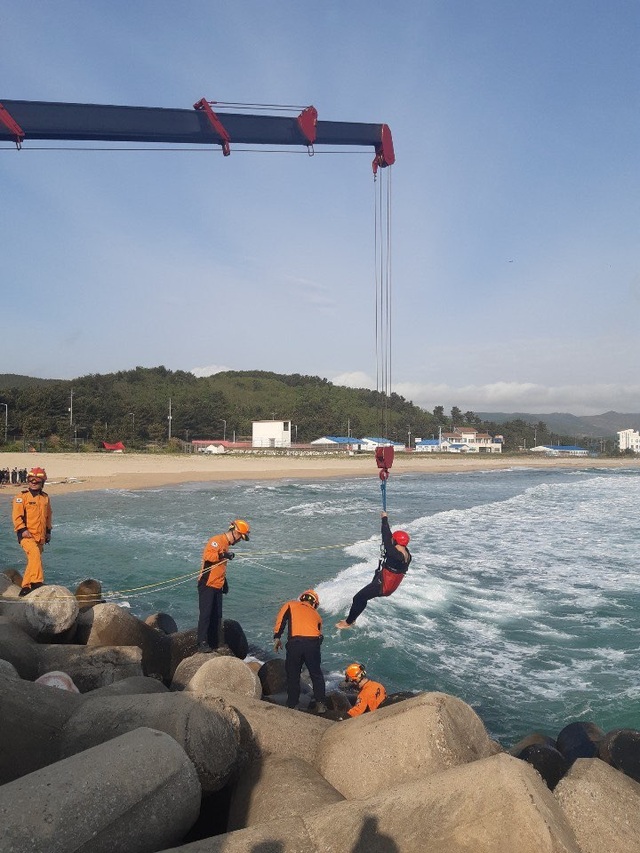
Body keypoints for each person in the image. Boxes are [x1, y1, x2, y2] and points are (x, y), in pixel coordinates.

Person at [336, 511, 411, 629]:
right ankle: (352, 619)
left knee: (358, 598)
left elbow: (386, 536)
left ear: (395, 542)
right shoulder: (406, 554)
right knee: (363, 597)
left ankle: (348, 622)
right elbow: (389, 540)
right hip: (386, 582)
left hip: (382, 585)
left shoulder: (394, 554)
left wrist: (384, 519)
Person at [197, 518, 250, 652]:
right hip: (207, 584)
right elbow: (208, 556)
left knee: (217, 616)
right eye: (240, 537)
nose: (239, 541)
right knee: (206, 615)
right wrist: (223, 554)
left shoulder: (226, 544)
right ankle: (201, 643)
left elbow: (219, 567)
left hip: (217, 585)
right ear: (234, 532)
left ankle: (214, 643)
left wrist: (224, 582)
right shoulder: (217, 540)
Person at [273, 589, 327, 713]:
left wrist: (277, 637)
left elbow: (281, 620)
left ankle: (292, 704)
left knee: (293, 675)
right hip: (312, 644)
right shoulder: (317, 616)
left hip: (295, 643)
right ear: (314, 603)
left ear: (302, 598)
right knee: (316, 674)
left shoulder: (290, 604)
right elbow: (320, 636)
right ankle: (321, 704)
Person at [12, 467, 52, 596]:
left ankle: (25, 587)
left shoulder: (45, 498)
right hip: (26, 535)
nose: (33, 483)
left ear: (42, 483)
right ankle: (36, 582)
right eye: (31, 480)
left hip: (40, 536)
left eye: (37, 481)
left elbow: (48, 515)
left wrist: (48, 532)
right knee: (34, 554)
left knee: (33, 561)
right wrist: (22, 529)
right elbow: (16, 516)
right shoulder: (21, 497)